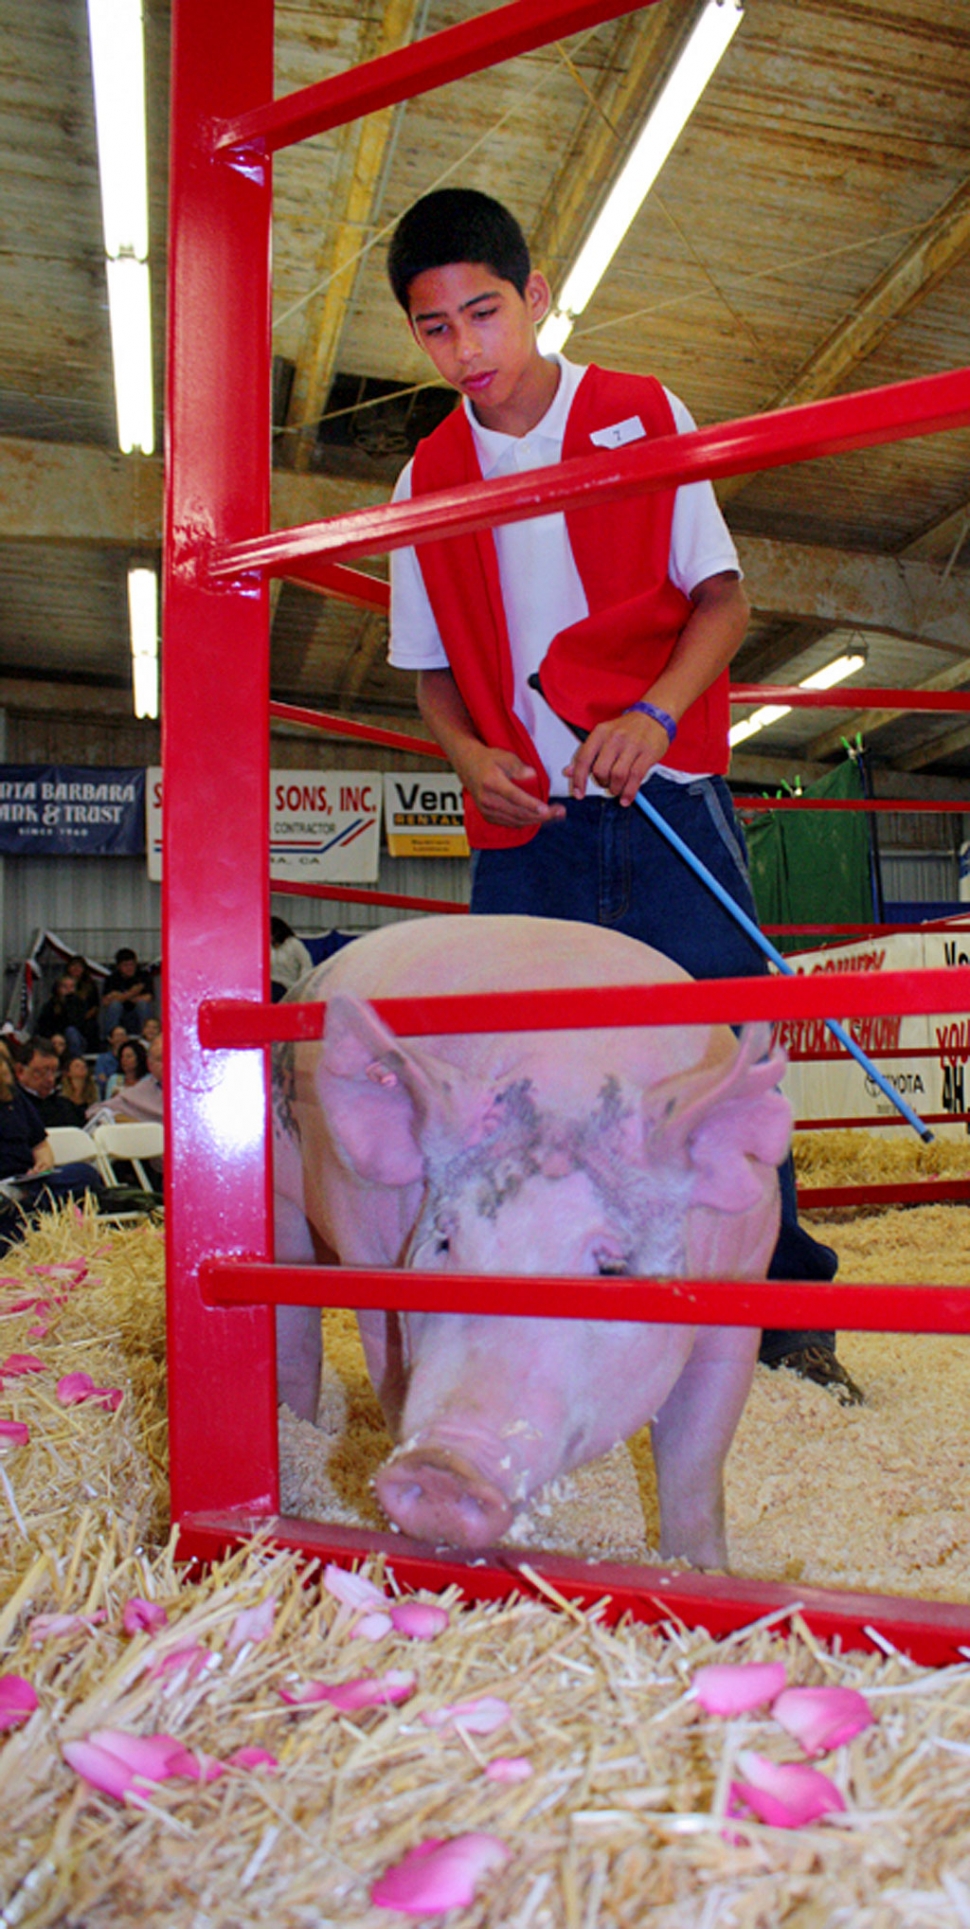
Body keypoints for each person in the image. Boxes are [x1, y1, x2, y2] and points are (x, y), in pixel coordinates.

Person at [385, 187, 859, 1404]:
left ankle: (782, 1313)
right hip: (527, 829)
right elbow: (429, 673)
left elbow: (723, 598)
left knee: (733, 1051)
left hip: (668, 799)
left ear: (537, 298)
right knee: (519, 1079)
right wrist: (461, 753)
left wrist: (652, 713)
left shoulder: (640, 413)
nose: (465, 348)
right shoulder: (423, 477)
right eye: (434, 328)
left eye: (484, 313)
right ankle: (556, 1311)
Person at [0, 1039, 103, 1247]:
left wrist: (43, 1164)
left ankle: (23, 1202)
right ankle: (22, 1206)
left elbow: (40, 1144)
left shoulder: (17, 1100)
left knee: (85, 1174)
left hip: (27, 1181)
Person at [99, 947, 155, 1039]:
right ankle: (111, 1038)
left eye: (132, 965)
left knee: (142, 1005)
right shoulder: (112, 979)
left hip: (137, 1013)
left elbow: (148, 997)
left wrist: (119, 996)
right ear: (118, 966)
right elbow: (106, 1001)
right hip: (120, 1014)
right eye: (125, 965)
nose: (130, 968)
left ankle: (146, 1037)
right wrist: (132, 993)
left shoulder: (143, 976)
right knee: (115, 1006)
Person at [36, 974, 93, 1061]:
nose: (68, 990)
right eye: (65, 986)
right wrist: (55, 1035)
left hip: (75, 1037)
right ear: (58, 989)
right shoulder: (50, 1005)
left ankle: (75, 1061)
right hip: (54, 1036)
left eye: (71, 987)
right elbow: (44, 1025)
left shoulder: (80, 1004)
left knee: (71, 1032)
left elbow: (78, 1024)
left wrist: (68, 1003)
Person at [270, 917, 313, 1002]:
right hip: (270, 985)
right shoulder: (265, 946)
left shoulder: (294, 944)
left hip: (288, 986)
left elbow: (306, 965)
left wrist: (301, 987)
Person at [95, 1024, 129, 1098]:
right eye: (117, 1035)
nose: (120, 1038)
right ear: (110, 1039)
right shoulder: (103, 1059)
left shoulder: (133, 1057)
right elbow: (101, 1080)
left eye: (122, 1035)